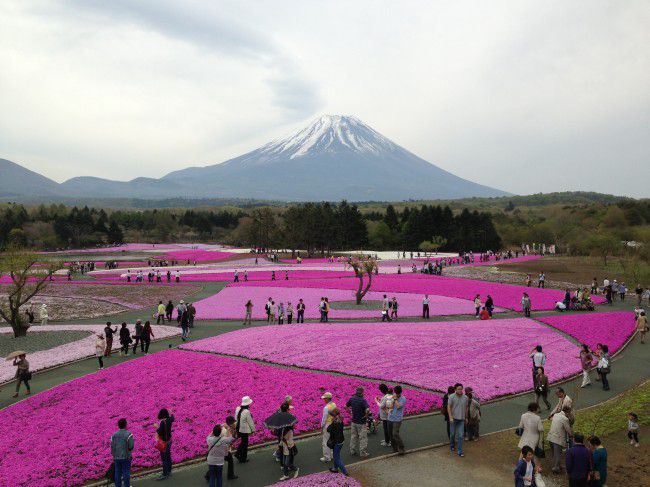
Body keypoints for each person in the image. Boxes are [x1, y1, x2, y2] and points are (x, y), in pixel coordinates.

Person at [346, 386, 370, 457]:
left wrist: (350, 412)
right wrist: (366, 415)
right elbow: (368, 410)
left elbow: (346, 406)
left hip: (354, 421)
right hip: (361, 422)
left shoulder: (352, 398)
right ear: (362, 393)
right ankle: (363, 453)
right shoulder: (363, 400)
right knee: (363, 438)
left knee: (353, 436)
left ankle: (352, 450)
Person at [548, 405, 572, 473]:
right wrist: (571, 435)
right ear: (567, 412)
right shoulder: (565, 419)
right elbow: (568, 429)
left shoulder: (556, 415)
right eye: (569, 413)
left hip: (550, 436)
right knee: (558, 454)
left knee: (554, 453)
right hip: (557, 438)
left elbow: (551, 419)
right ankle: (555, 468)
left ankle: (558, 465)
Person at [111, 418, 134, 487]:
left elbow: (112, 447)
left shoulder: (114, 435)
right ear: (126, 425)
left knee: (117, 472)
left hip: (116, 457)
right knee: (126, 472)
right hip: (126, 456)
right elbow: (131, 446)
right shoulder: (129, 434)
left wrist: (114, 455)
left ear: (118, 425)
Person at [448, 383, 468, 457]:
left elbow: (466, 408)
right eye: (458, 389)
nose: (460, 390)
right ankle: (452, 444)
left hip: (461, 419)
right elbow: (449, 407)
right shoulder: (451, 397)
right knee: (452, 434)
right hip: (453, 419)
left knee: (460, 435)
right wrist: (450, 417)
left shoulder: (465, 397)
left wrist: (466, 417)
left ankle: (460, 451)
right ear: (455, 389)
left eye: (461, 389)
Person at [327, 407, 349, 476]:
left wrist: (331, 422)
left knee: (336, 458)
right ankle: (335, 468)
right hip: (341, 440)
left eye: (331, 415)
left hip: (336, 442)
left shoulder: (335, 422)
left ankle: (345, 472)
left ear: (333, 415)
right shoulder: (340, 419)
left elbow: (328, 429)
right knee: (336, 455)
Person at [234, 396, 255, 463]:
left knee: (243, 442)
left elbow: (235, 418)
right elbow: (250, 421)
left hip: (238, 428)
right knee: (245, 444)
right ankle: (243, 458)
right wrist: (253, 430)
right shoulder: (246, 411)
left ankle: (237, 454)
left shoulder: (238, 408)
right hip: (244, 430)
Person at [156, 408, 174, 480]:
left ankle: (165, 474)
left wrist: (157, 427)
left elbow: (160, 432)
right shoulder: (170, 419)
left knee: (164, 459)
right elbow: (173, 417)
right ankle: (169, 471)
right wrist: (171, 413)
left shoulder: (163, 422)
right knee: (168, 456)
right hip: (169, 441)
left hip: (164, 442)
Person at [388, 385, 406, 455]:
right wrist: (392, 400)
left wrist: (395, 399)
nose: (397, 395)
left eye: (398, 393)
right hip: (390, 417)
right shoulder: (392, 397)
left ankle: (401, 448)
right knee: (391, 435)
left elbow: (398, 406)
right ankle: (394, 449)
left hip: (397, 419)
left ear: (400, 392)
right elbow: (389, 406)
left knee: (395, 434)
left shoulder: (403, 399)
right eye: (396, 393)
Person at [320, 392, 337, 462]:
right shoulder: (334, 404)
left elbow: (324, 419)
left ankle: (327, 457)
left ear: (327, 399)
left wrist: (321, 427)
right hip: (333, 424)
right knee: (332, 439)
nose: (324, 400)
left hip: (327, 425)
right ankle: (332, 455)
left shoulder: (326, 408)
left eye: (324, 398)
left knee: (326, 441)